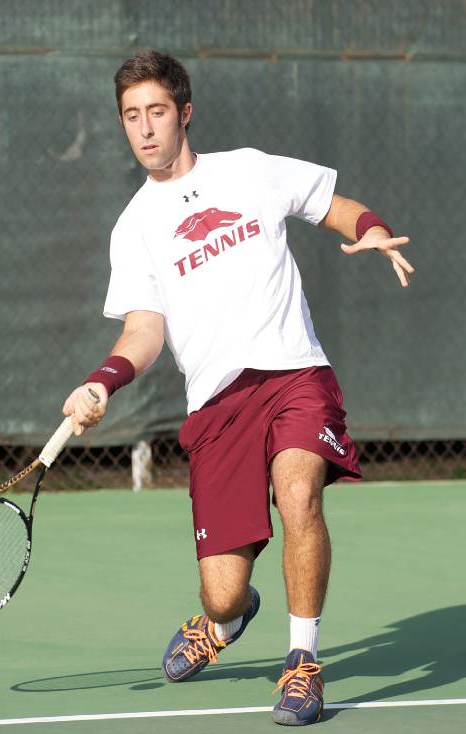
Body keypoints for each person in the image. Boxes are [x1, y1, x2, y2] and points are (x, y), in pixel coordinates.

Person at [62, 51, 413, 726]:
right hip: (216, 406)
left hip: (292, 374)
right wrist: (102, 381)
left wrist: (369, 231)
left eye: (156, 112)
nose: (144, 129)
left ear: (184, 114)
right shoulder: (135, 226)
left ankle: (302, 663)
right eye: (131, 116)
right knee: (222, 594)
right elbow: (143, 330)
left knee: (299, 494)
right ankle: (224, 621)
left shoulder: (249, 170)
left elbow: (336, 207)